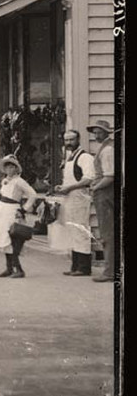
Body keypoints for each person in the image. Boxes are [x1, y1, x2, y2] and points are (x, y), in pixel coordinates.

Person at [0, 155, 38, 278]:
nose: (9, 169)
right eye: (7, 167)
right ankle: (9, 268)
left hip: (11, 211)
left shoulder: (19, 181)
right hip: (2, 210)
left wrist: (23, 209)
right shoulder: (5, 181)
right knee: (3, 238)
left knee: (12, 239)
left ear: (16, 168)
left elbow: (32, 194)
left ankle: (18, 269)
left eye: (11, 167)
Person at [53, 129, 97, 276]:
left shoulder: (85, 157)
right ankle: (75, 266)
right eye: (66, 140)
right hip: (69, 197)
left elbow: (88, 179)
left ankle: (84, 267)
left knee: (80, 229)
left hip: (79, 197)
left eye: (72, 140)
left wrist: (70, 187)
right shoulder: (70, 157)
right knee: (72, 230)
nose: (69, 143)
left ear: (78, 140)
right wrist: (63, 187)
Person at [87, 119, 116, 283]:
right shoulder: (105, 148)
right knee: (107, 232)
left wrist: (95, 188)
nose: (96, 135)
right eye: (95, 132)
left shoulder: (108, 150)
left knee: (107, 233)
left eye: (99, 132)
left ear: (106, 132)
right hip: (103, 192)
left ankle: (109, 271)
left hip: (105, 193)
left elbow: (110, 176)